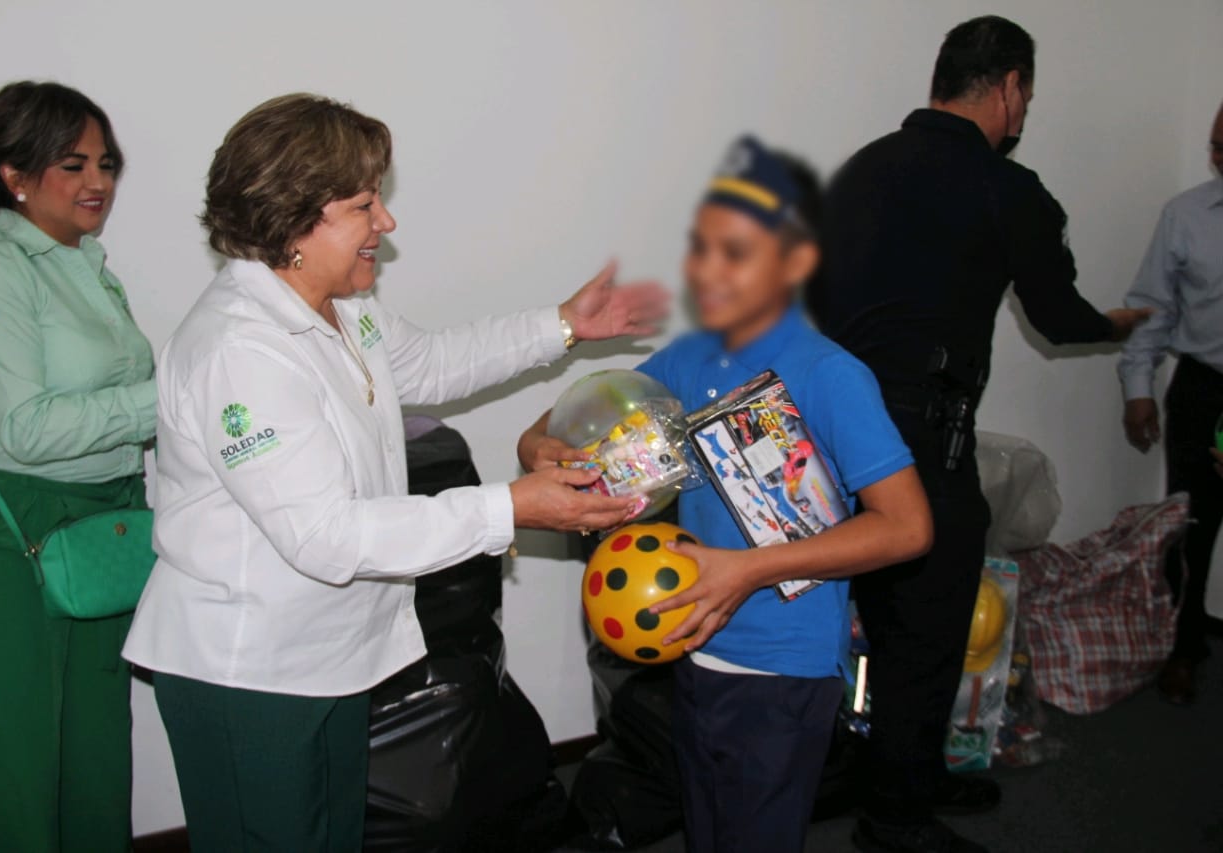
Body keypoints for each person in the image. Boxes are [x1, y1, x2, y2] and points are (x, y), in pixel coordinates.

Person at [120, 93, 667, 852]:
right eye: (363, 204)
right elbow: (327, 534)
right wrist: (510, 508)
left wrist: (565, 324)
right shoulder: (240, 350)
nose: (386, 221)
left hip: (326, 653)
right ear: (293, 221)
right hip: (249, 670)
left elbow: (435, 362)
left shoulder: (342, 306)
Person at [519, 137, 933, 853]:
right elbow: (556, 425)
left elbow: (907, 528)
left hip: (784, 666)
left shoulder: (831, 374)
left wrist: (745, 570)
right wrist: (539, 448)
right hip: (697, 649)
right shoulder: (689, 357)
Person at [808, 16, 1151, 853]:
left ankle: (898, 774)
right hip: (924, 442)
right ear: (1005, 86)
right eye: (1025, 93)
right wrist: (1117, 323)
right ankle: (895, 820)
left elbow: (814, 302)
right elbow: (1057, 316)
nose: (1024, 111)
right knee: (925, 628)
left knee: (865, 615)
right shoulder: (1008, 187)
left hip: (828, 434)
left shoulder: (858, 169)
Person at [0, 82, 151, 852]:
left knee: (95, 754)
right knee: (12, 765)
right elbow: (25, 429)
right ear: (15, 175)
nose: (97, 182)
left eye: (105, 163)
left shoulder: (89, 267)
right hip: (11, 537)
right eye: (73, 164)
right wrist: (169, 402)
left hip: (102, 527)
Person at [1118, 100, 1223, 705]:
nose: (1217, 159)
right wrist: (1138, 390)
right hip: (1204, 388)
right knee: (1189, 527)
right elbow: (1152, 308)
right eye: (1215, 146)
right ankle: (1182, 648)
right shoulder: (1186, 215)